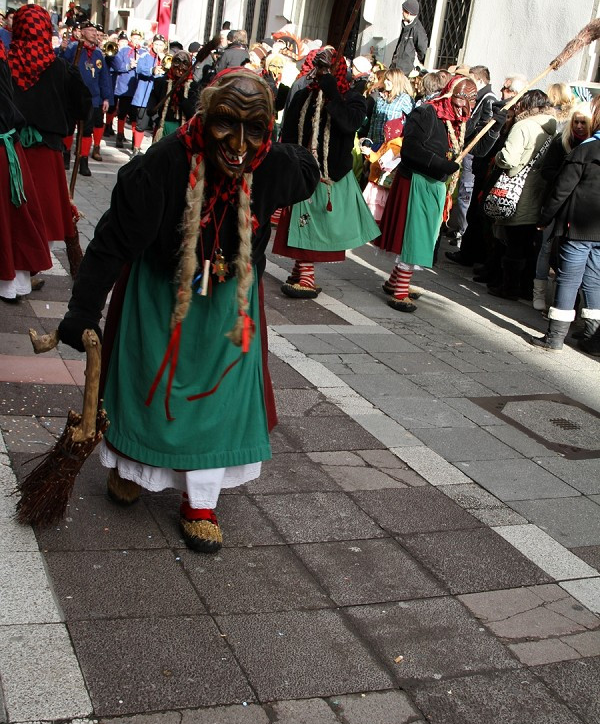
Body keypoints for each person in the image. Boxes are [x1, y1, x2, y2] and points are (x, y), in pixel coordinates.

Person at [55, 69, 320, 552]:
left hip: (228, 305)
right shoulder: (160, 165)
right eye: (226, 124)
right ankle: (134, 470)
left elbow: (307, 168)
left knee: (216, 405)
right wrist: (82, 310)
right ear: (204, 116)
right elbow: (112, 242)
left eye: (255, 129)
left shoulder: (275, 165)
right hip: (160, 296)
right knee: (148, 388)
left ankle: (200, 502)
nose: (240, 144)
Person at [273, 47, 380, 298]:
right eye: (319, 68)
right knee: (302, 221)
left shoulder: (354, 98)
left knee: (314, 223)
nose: (321, 73)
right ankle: (303, 271)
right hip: (302, 170)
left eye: (327, 69)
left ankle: (306, 274)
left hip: (330, 175)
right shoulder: (302, 97)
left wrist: (333, 94)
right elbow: (289, 133)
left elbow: (350, 124)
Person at [378, 77, 477, 312]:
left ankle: (395, 281)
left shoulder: (459, 122)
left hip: (435, 185)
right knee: (414, 237)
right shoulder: (426, 114)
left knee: (424, 236)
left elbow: (475, 146)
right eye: (459, 99)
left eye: (469, 101)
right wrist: (440, 164)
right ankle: (400, 289)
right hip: (415, 181)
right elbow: (410, 150)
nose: (462, 106)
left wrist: (494, 126)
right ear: (448, 94)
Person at [8, 4, 91, 254]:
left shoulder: (5, 63)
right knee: (42, 213)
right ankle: (26, 271)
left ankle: (16, 271)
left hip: (11, 150)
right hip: (46, 151)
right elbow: (83, 108)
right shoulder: (61, 69)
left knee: (12, 212)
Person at [531, 96, 600, 353]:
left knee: (569, 279)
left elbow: (561, 190)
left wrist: (544, 219)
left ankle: (555, 337)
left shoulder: (585, 150)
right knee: (594, 280)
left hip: (578, 227)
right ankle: (592, 336)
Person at [487, 90, 557, 302]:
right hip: (538, 191)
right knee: (529, 243)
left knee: (514, 243)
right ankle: (526, 287)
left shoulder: (523, 126)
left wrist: (497, 156)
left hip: (517, 190)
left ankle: (509, 288)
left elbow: (509, 159)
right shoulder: (552, 128)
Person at [0, 31, 52, 302]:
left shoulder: (10, 57)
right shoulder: (55, 64)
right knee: (17, 215)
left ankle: (13, 284)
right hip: (14, 142)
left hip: (9, 143)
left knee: (14, 214)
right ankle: (14, 283)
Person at [445, 65, 497, 243]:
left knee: (466, 193)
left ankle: (462, 230)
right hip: (465, 147)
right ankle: (458, 227)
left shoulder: (488, 98)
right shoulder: (478, 96)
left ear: (480, 80)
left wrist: (470, 132)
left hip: (472, 151)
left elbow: (483, 124)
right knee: (460, 191)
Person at [58, 19, 113, 174]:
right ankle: (66, 155)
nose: (95, 33)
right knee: (69, 128)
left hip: (92, 98)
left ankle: (83, 161)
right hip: (73, 96)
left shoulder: (97, 53)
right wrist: (61, 50)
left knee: (87, 130)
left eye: (96, 31)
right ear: (82, 32)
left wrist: (106, 98)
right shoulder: (73, 48)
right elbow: (60, 63)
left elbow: (103, 78)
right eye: (91, 30)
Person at [147, 50, 199, 140]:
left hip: (183, 128)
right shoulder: (161, 82)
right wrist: (152, 109)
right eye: (177, 69)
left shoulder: (193, 86)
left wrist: (182, 97)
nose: (179, 72)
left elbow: (192, 112)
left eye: (182, 70)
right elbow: (153, 99)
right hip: (164, 125)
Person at [131, 34, 167, 155]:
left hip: (159, 96)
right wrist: (152, 70)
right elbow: (139, 69)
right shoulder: (145, 56)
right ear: (152, 44)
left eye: (161, 45)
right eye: (156, 44)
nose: (158, 47)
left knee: (156, 123)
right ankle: (136, 149)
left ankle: (153, 150)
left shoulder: (166, 58)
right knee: (141, 123)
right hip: (145, 96)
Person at [111, 28, 143, 148]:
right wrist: (128, 66)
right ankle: (120, 134)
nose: (136, 40)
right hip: (125, 87)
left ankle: (135, 140)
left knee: (135, 115)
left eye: (138, 38)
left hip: (137, 87)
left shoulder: (143, 51)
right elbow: (117, 66)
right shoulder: (124, 50)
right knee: (122, 112)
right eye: (134, 38)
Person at [367, 69, 414, 149]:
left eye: (389, 80)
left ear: (396, 81)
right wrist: (368, 142)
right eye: (385, 79)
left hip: (393, 146)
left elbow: (412, 121)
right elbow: (373, 122)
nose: (385, 82)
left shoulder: (404, 98)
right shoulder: (380, 99)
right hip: (376, 144)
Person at [389, 0, 428, 76]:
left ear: (408, 13)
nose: (402, 12)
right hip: (395, 67)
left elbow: (422, 50)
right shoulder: (406, 25)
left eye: (403, 10)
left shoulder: (418, 30)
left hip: (405, 70)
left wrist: (413, 62)